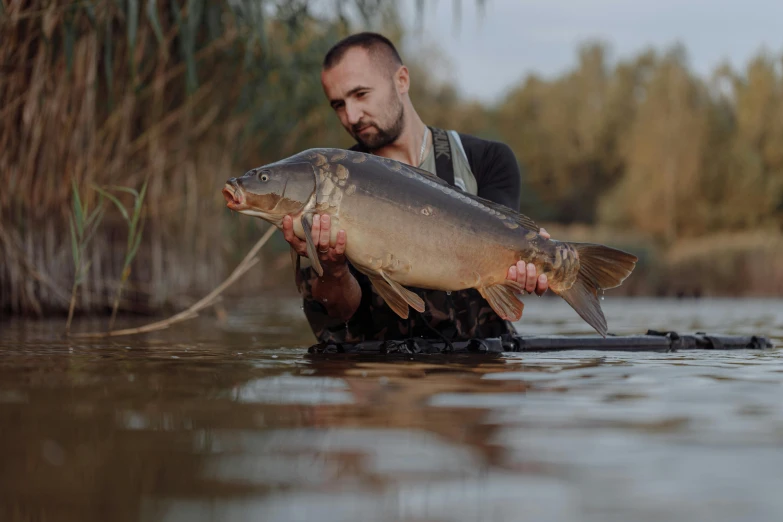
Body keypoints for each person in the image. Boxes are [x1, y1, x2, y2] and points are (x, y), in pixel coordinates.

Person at [282, 32, 550, 345]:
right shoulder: (325, 190)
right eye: (338, 105)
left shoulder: (486, 160)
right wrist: (334, 269)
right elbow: (337, 316)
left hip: (481, 373)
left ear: (402, 80)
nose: (351, 117)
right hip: (384, 377)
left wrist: (527, 267)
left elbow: (502, 253)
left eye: (361, 94)